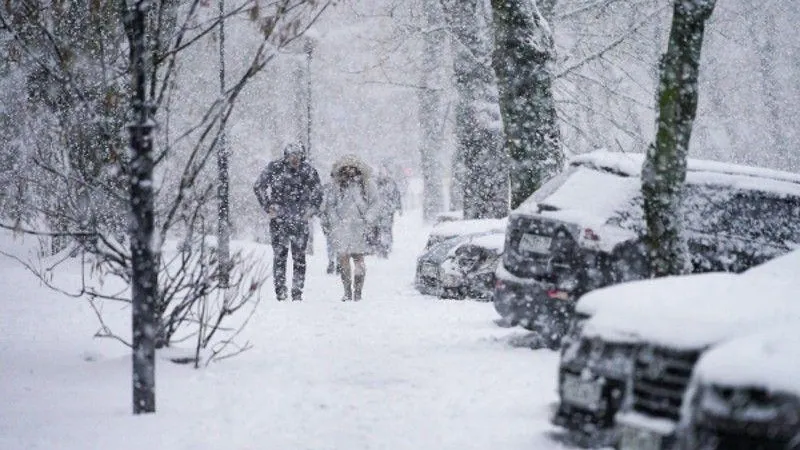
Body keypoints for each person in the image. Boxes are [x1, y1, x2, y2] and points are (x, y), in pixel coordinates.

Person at [253, 143, 322, 302]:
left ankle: (297, 291)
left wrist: (310, 210)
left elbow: (318, 192)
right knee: (280, 256)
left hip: (300, 220)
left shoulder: (308, 171)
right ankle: (280, 291)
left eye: (297, 155)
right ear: (286, 156)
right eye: (291, 155)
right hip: (279, 220)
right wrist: (268, 206)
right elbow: (258, 186)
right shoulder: (275, 168)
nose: (294, 159)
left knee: (299, 258)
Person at [322, 154, 378, 301]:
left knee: (359, 259)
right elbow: (330, 206)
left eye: (352, 168)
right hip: (342, 227)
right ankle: (347, 291)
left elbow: (375, 203)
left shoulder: (367, 185)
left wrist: (368, 219)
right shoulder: (336, 186)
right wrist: (335, 221)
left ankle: (358, 292)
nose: (349, 171)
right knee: (343, 259)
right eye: (346, 168)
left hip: (360, 227)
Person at [372, 165, 402, 258]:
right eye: (380, 173)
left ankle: (385, 247)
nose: (382, 174)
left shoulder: (391, 183)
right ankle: (379, 246)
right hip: (377, 211)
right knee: (377, 230)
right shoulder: (373, 184)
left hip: (387, 211)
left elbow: (397, 196)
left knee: (386, 229)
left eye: (383, 172)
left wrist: (399, 207)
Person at [320, 178, 339, 274]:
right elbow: (322, 206)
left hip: (340, 220)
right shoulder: (326, 188)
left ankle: (338, 261)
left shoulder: (343, 188)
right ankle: (332, 261)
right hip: (330, 220)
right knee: (330, 242)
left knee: (337, 241)